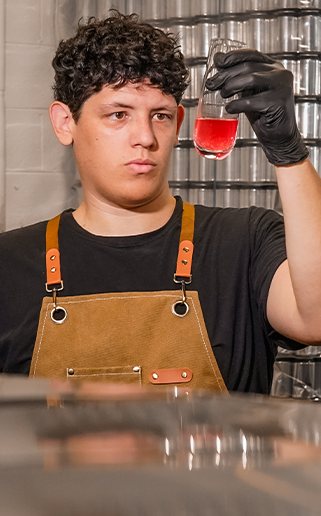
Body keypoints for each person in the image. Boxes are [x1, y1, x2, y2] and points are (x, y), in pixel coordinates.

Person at [1, 11, 321, 394]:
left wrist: (289, 152)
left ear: (179, 122)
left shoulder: (244, 241)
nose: (146, 137)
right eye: (119, 114)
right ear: (65, 123)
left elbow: (314, 318)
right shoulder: (9, 265)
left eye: (161, 116)